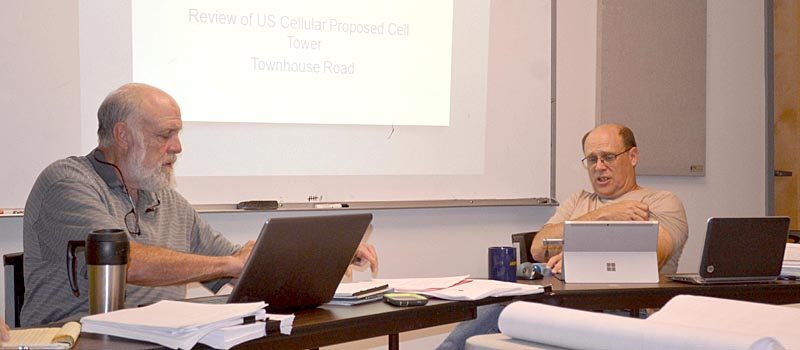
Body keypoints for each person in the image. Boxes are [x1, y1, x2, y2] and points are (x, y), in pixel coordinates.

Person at [20, 83, 378, 326]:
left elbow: (242, 263)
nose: (177, 147)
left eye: (178, 134)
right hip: (76, 341)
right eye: (165, 135)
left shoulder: (167, 200)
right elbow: (127, 260)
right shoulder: (66, 183)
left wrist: (326, 253)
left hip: (161, 341)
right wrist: (230, 262)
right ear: (123, 135)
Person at [436, 123, 688, 350]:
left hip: (624, 311)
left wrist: (574, 258)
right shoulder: (579, 201)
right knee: (492, 313)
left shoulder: (661, 202)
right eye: (591, 159)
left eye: (608, 157)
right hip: (560, 304)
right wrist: (602, 215)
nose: (599, 166)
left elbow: (650, 256)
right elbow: (538, 247)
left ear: (632, 156)